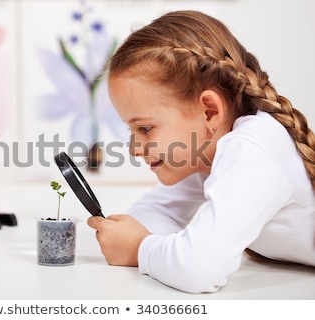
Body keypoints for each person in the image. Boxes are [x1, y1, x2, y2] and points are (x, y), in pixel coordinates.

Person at [87, 10, 315, 294]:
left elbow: (199, 270)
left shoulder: (253, 149)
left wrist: (140, 248)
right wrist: (172, 250)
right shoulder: (202, 153)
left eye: (145, 128)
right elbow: (148, 213)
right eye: (130, 131)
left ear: (209, 112)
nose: (134, 149)